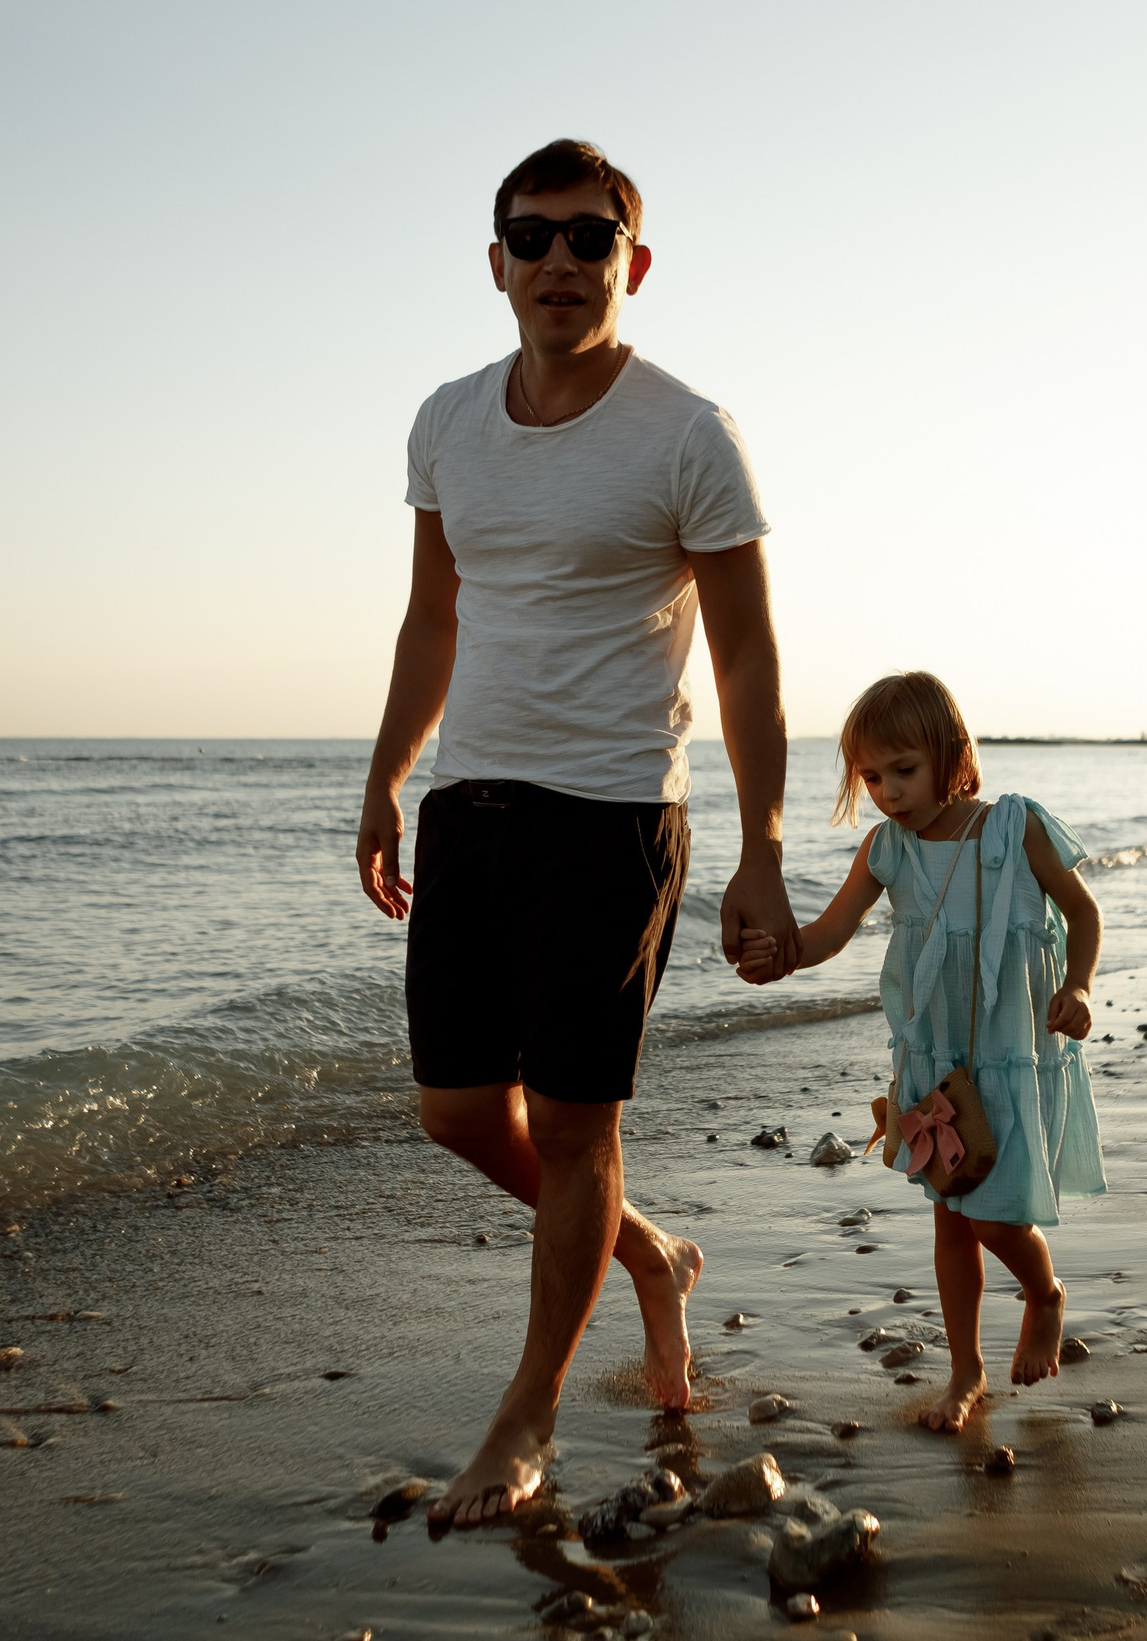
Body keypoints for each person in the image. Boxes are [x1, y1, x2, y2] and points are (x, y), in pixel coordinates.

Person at [354, 140, 800, 1528]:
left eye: (588, 239)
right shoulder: (444, 421)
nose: (560, 261)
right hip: (469, 805)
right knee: (452, 1109)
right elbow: (434, 615)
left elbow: (748, 663)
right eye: (532, 238)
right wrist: (385, 778)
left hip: (613, 815)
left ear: (632, 263)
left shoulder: (688, 433)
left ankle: (528, 1413)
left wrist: (764, 849)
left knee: (575, 1119)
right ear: (496, 262)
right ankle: (651, 1254)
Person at [737, 672, 1104, 1432]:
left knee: (993, 1215)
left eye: (902, 770)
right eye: (871, 776)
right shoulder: (887, 850)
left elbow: (1081, 909)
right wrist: (783, 952)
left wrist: (1081, 986)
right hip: (935, 1060)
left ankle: (1044, 1294)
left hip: (1006, 1047)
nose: (887, 791)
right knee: (949, 1210)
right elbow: (830, 933)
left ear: (951, 753)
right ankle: (965, 1371)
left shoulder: (1012, 828)